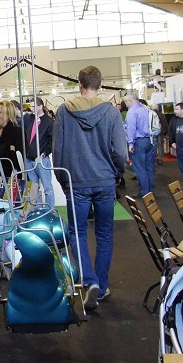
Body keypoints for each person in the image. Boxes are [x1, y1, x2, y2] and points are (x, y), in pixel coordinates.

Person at [53, 65, 126, 311]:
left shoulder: (64, 111)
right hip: (105, 181)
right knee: (105, 235)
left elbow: (58, 151)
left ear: (79, 83)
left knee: (77, 234)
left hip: (77, 182)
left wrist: (63, 180)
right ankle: (102, 286)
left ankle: (89, 280)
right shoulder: (112, 113)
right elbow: (121, 151)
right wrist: (118, 173)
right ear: (100, 84)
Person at [22, 98, 55, 207]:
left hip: (42, 159)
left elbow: (52, 141)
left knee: (47, 188)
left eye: (33, 106)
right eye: (30, 106)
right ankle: (38, 212)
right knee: (34, 189)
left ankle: (50, 211)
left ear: (40, 106)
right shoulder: (29, 119)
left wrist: (44, 153)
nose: (31, 109)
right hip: (29, 159)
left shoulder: (49, 122)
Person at [124, 92, 155, 197]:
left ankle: (144, 192)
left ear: (130, 101)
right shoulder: (146, 109)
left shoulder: (132, 112)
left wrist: (130, 143)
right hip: (150, 140)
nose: (125, 103)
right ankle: (150, 190)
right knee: (149, 167)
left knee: (139, 168)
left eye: (125, 101)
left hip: (138, 142)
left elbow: (131, 128)